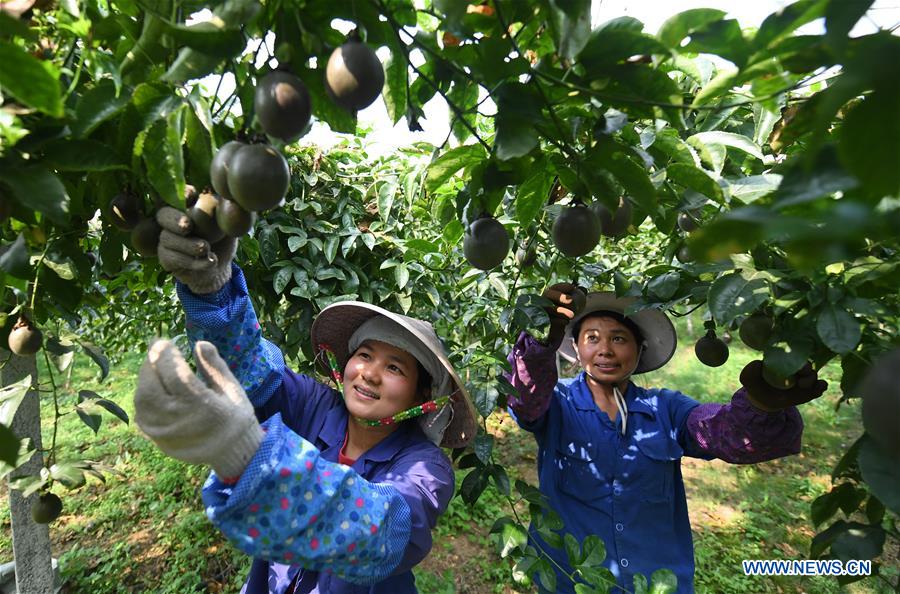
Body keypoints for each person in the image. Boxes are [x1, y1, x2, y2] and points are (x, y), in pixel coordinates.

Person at [132, 207, 476, 594]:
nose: (370, 373)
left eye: (395, 368)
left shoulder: (426, 467)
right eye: (364, 355)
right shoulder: (316, 407)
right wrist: (212, 289)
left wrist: (249, 452)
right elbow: (253, 372)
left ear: (423, 396)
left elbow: (386, 530)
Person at [505, 283, 827, 594]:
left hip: (656, 583)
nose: (605, 349)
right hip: (573, 582)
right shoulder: (557, 403)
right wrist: (540, 337)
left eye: (618, 338)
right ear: (576, 347)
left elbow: (718, 431)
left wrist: (762, 404)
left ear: (639, 349)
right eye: (592, 338)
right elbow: (525, 400)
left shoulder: (664, 408)